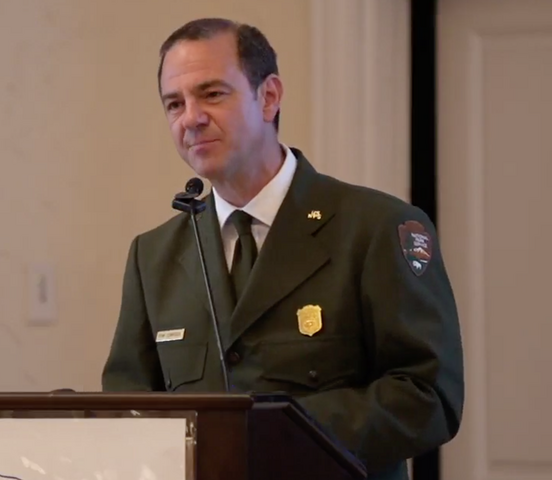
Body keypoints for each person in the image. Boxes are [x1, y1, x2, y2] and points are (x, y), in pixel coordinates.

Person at [101, 17, 464, 480]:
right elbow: (128, 405)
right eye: (174, 103)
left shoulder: (375, 227)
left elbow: (428, 396)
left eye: (212, 94)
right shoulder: (153, 255)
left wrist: (276, 433)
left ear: (269, 97)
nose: (190, 118)